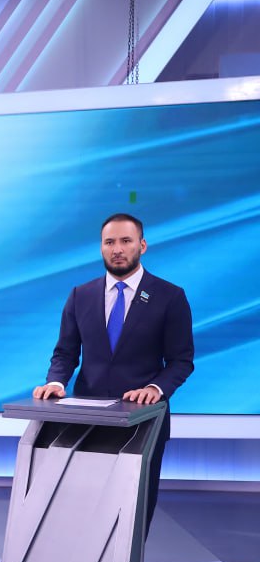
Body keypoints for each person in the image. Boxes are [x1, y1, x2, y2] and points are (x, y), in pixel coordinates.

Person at [33, 213, 194, 534]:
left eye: (125, 241)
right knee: (81, 516)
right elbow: (65, 353)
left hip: (142, 423)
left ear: (142, 246)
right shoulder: (81, 295)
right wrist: (55, 381)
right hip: (85, 422)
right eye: (109, 242)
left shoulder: (169, 296)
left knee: (132, 517)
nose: (117, 249)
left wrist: (155, 388)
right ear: (101, 247)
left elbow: (181, 360)